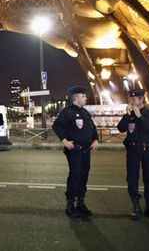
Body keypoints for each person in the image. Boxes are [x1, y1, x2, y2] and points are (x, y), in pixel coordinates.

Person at [52, 85, 99, 218]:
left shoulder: (85, 112)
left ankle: (81, 203)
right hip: (74, 150)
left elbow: (92, 127)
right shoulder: (67, 112)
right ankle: (70, 204)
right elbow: (57, 125)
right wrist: (65, 141)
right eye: (83, 96)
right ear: (76, 98)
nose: (85, 98)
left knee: (84, 176)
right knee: (75, 175)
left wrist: (96, 139)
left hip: (86, 151)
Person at [117, 89, 149, 220]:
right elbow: (120, 128)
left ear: (141, 100)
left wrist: (139, 116)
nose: (132, 101)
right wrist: (127, 115)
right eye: (131, 99)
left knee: (148, 179)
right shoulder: (130, 115)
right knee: (132, 179)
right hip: (133, 150)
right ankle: (136, 206)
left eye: (134, 99)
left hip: (148, 150)